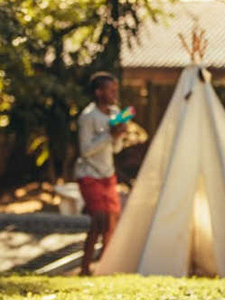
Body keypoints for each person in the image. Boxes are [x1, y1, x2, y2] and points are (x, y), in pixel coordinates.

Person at [75, 72, 127, 276]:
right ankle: (85, 268)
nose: (115, 94)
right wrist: (109, 135)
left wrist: (119, 135)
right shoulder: (88, 117)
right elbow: (85, 150)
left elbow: (116, 149)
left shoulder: (115, 112)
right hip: (89, 174)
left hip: (107, 174)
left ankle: (104, 268)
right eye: (111, 90)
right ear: (98, 92)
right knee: (99, 221)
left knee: (111, 222)